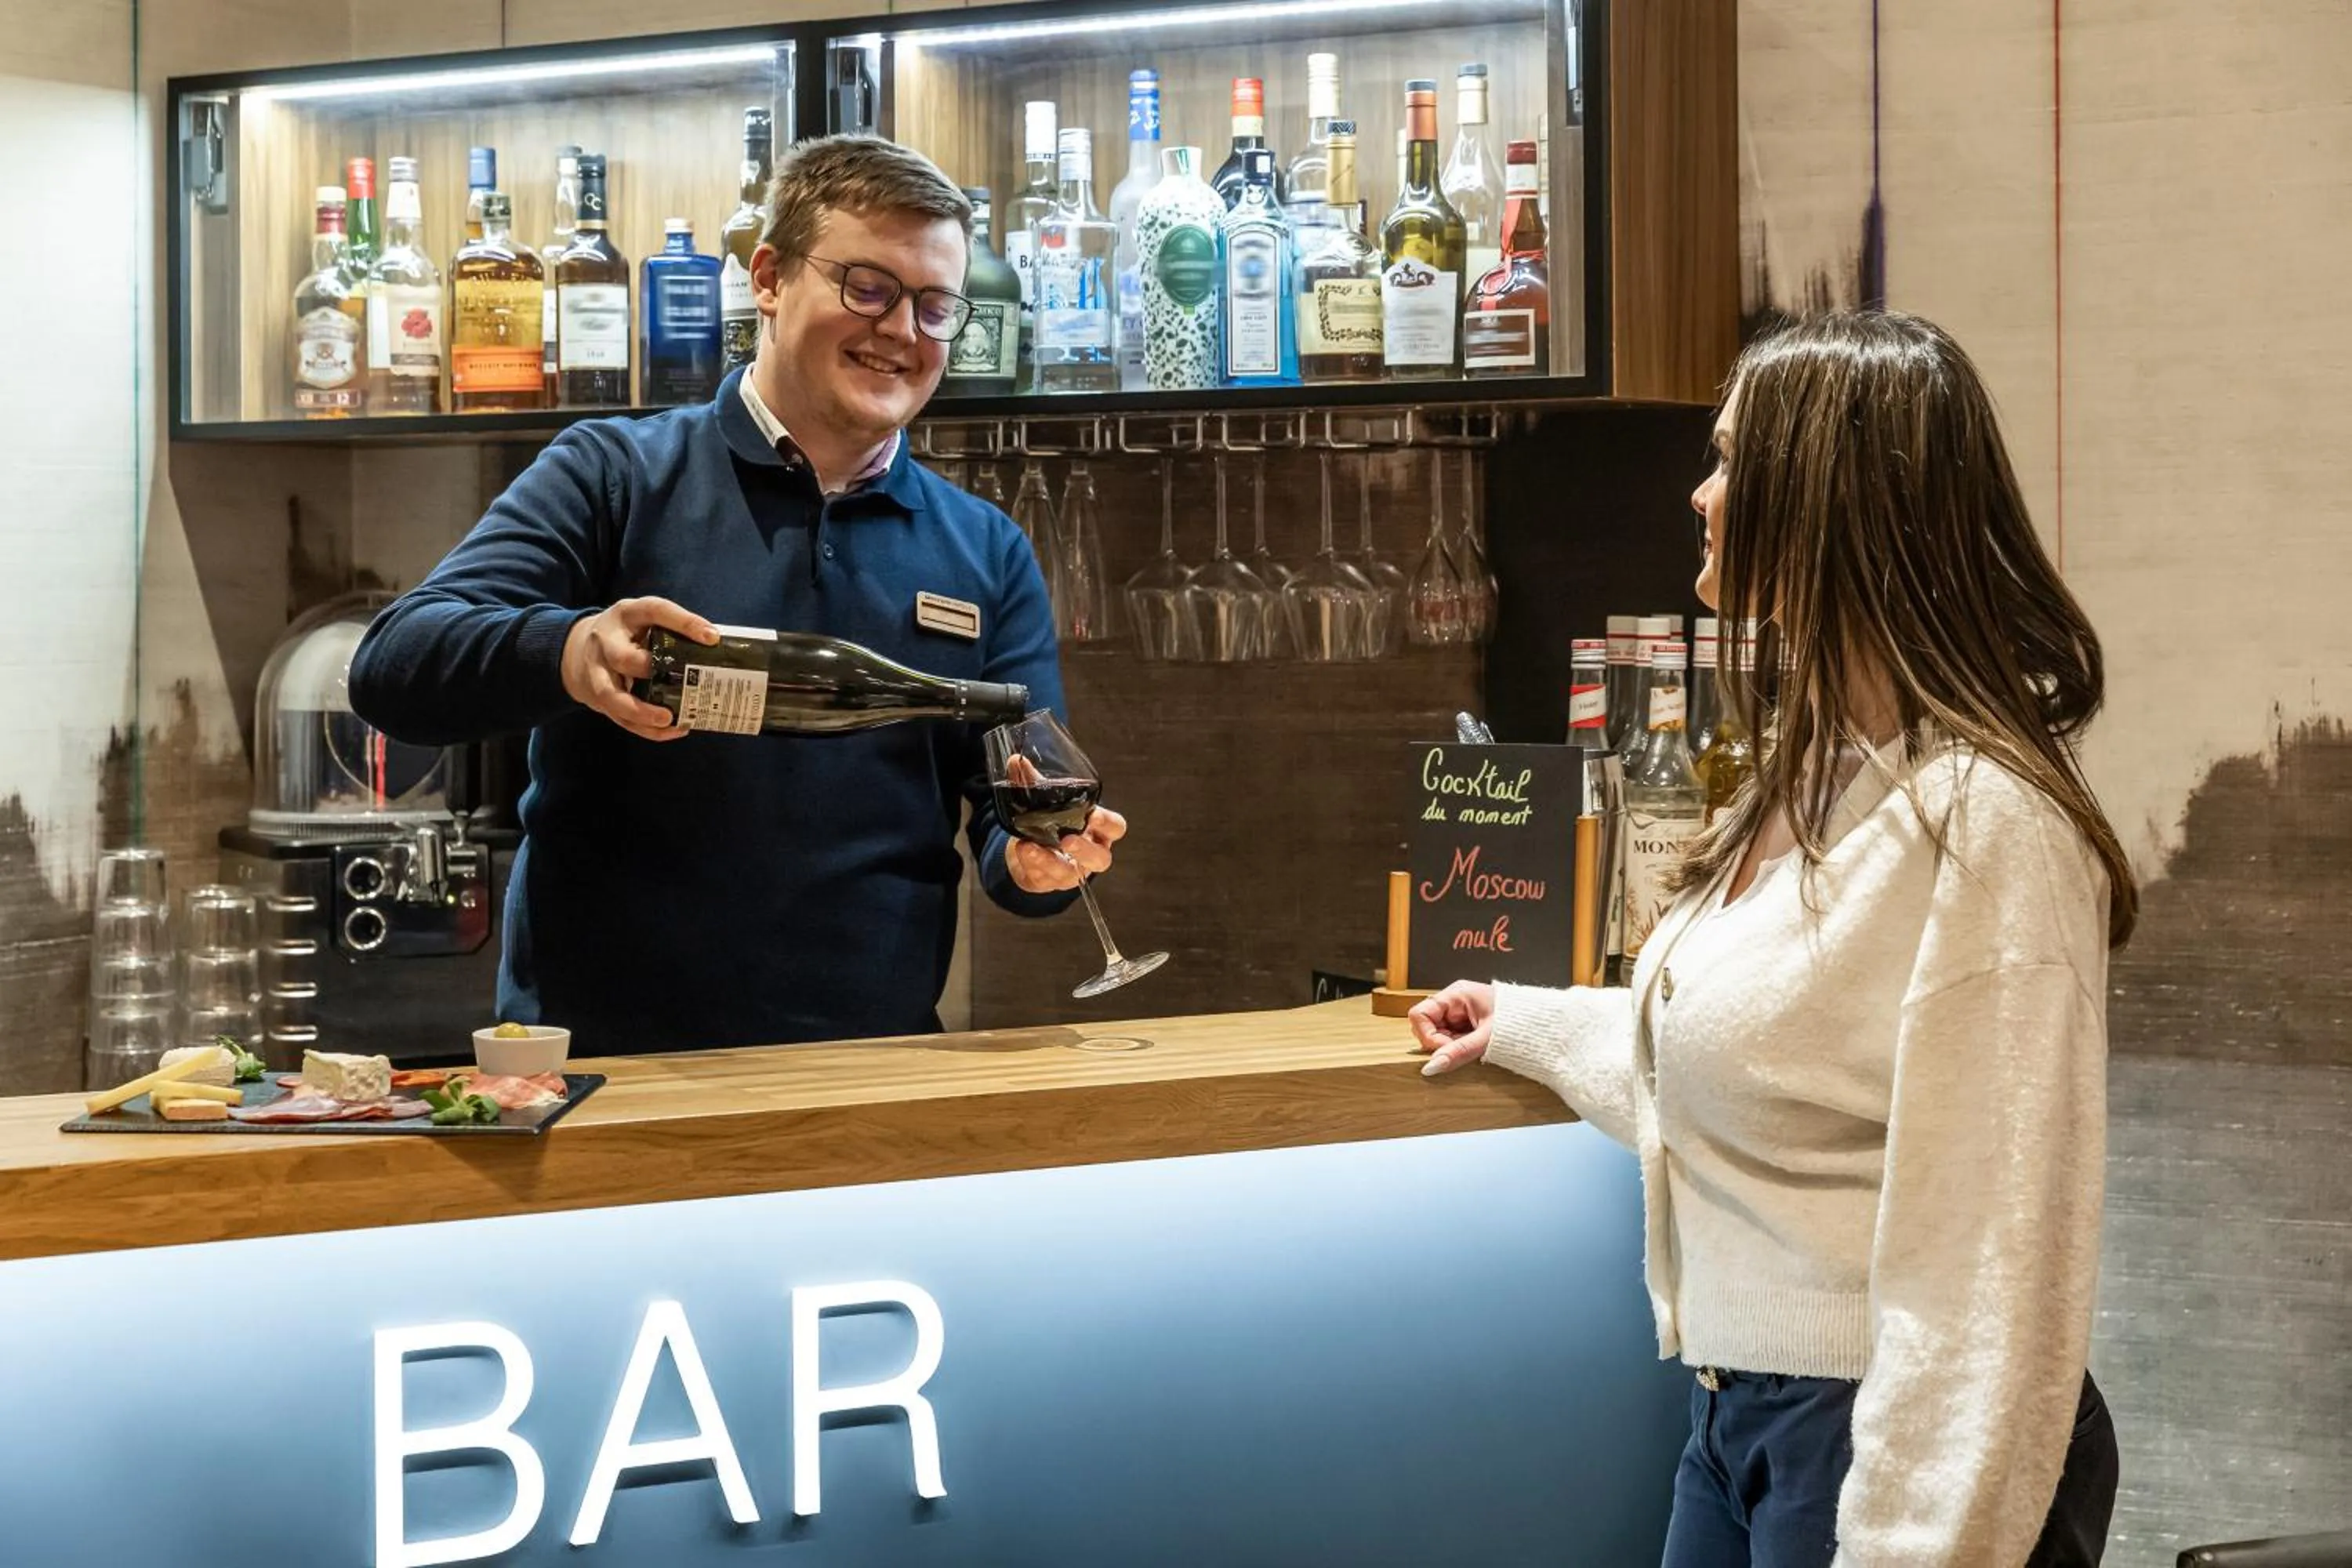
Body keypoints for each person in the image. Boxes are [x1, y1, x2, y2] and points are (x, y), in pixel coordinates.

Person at [1413, 311, 2131, 1566]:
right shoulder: (1821, 779)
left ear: (1833, 498)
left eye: (1733, 461)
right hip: (1738, 1417)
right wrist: (1527, 1023)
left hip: (1881, 1443)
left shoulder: (1987, 824)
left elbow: (1995, 1272)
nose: (1700, 494)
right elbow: (1759, 1068)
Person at [350, 136, 1120, 1053]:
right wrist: (570, 650)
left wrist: (1037, 863)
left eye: (934, 305)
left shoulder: (984, 548)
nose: (903, 332)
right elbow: (394, 666)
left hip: (872, 1073)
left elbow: (1009, 811)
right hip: (607, 1075)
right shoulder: (615, 474)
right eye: (867, 288)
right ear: (768, 277)